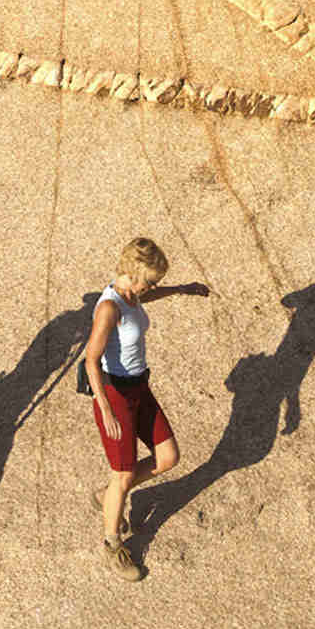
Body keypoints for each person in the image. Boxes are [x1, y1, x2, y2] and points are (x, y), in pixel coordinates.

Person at [84, 237, 208, 581]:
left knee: (168, 456)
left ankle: (110, 496)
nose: (153, 286)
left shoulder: (133, 294)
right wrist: (105, 408)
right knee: (123, 475)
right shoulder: (108, 308)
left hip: (140, 386)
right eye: (151, 279)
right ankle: (112, 544)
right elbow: (91, 360)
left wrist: (182, 289)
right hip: (116, 395)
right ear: (134, 273)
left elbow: (147, 297)